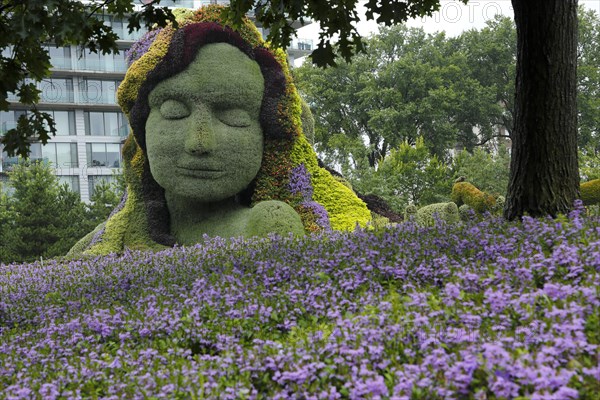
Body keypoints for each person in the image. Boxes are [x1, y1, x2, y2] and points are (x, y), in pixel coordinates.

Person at [68, 6, 370, 256]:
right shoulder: (112, 237)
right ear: (142, 126)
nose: (200, 142)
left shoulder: (267, 225)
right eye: (174, 112)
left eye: (234, 115)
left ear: (268, 134)